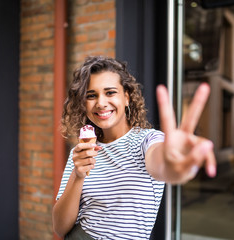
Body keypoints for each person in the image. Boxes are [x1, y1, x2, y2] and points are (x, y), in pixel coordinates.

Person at [52, 56, 216, 239]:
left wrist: (171, 161)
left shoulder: (147, 141)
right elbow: (59, 227)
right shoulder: (81, 152)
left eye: (110, 92)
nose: (101, 103)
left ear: (127, 98)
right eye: (91, 95)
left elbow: (159, 161)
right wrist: (78, 174)